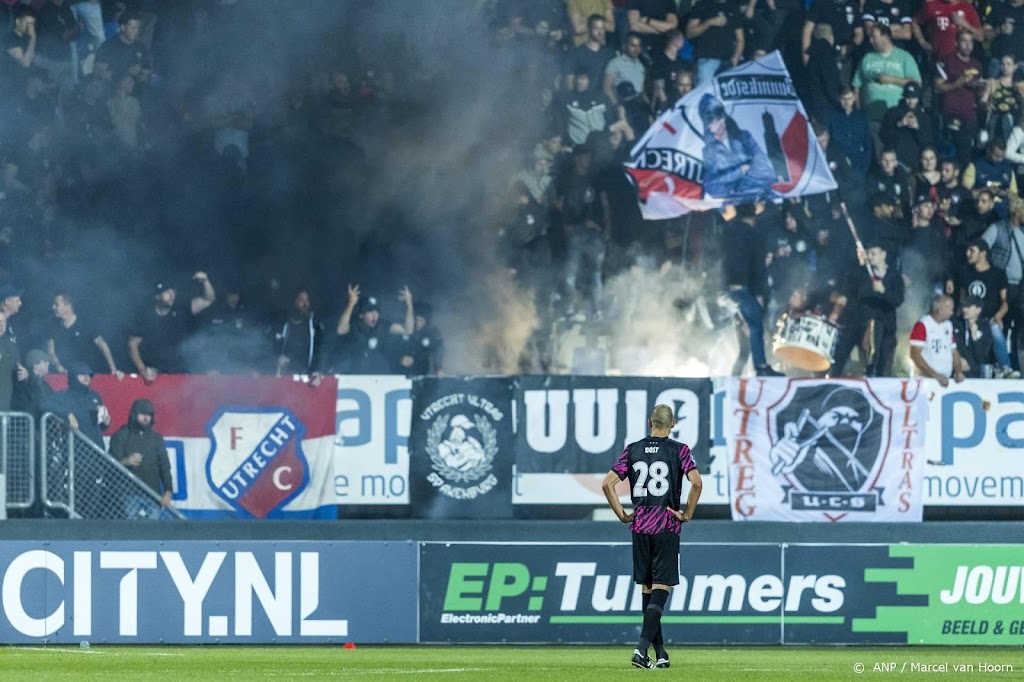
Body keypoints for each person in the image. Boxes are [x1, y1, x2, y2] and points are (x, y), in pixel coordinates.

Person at [601, 404, 701, 670]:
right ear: (673, 424)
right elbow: (697, 482)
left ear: (650, 423)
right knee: (661, 589)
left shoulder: (632, 450)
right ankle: (640, 649)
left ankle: (661, 654)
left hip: (641, 524)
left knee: (648, 589)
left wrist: (622, 514)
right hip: (666, 524)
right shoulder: (680, 450)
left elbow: (607, 483)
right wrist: (687, 513)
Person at [723, 204, 784, 376]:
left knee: (741, 341)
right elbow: (758, 269)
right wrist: (759, 294)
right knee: (755, 324)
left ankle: (735, 376)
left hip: (721, 290)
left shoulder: (726, 232)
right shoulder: (754, 236)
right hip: (740, 289)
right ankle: (761, 367)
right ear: (753, 215)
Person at [128, 273, 216, 380]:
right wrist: (142, 369)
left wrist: (205, 281)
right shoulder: (145, 316)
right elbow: (132, 344)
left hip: (179, 370)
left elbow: (208, 299)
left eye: (172, 291)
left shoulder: (181, 308)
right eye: (166, 292)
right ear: (157, 296)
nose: (171, 294)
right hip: (154, 371)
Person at [699, 94, 777, 201]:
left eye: (720, 119)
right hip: (735, 207)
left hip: (763, 198)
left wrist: (739, 189)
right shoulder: (708, 152)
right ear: (707, 126)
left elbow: (767, 170)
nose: (719, 125)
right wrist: (740, 171)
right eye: (714, 122)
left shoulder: (745, 137)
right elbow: (712, 187)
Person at [108, 398, 173, 517]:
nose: (146, 418)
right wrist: (126, 461)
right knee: (131, 531)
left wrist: (168, 491)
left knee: (153, 532)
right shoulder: (121, 435)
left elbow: (165, 466)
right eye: (142, 414)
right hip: (128, 495)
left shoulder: (156, 438)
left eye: (149, 415)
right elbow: (110, 462)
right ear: (134, 414)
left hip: (153, 495)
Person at [48, 291, 123, 378]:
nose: (53, 307)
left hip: (91, 375)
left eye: (56, 304)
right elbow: (51, 352)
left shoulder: (85, 323)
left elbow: (102, 345)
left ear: (67, 306)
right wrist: (59, 367)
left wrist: (113, 369)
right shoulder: (54, 328)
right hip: (69, 378)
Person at [39, 360, 109, 446]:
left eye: (89, 375)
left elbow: (96, 424)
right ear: (73, 376)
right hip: (75, 450)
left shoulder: (94, 396)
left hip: (97, 449)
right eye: (82, 374)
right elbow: (43, 404)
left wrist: (106, 422)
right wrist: (68, 414)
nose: (87, 377)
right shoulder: (63, 395)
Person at [909, 294, 965, 386]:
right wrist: (935, 375)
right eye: (949, 309)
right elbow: (915, 355)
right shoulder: (922, 325)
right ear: (939, 310)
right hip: (926, 382)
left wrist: (958, 371)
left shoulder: (948, 325)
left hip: (946, 380)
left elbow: (954, 352)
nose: (952, 313)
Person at [953, 296, 995, 378]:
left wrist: (974, 338)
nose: (964, 310)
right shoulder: (956, 323)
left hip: (975, 370)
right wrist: (958, 360)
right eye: (963, 306)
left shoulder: (985, 327)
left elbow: (982, 357)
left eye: (968, 307)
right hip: (956, 365)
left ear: (978, 310)